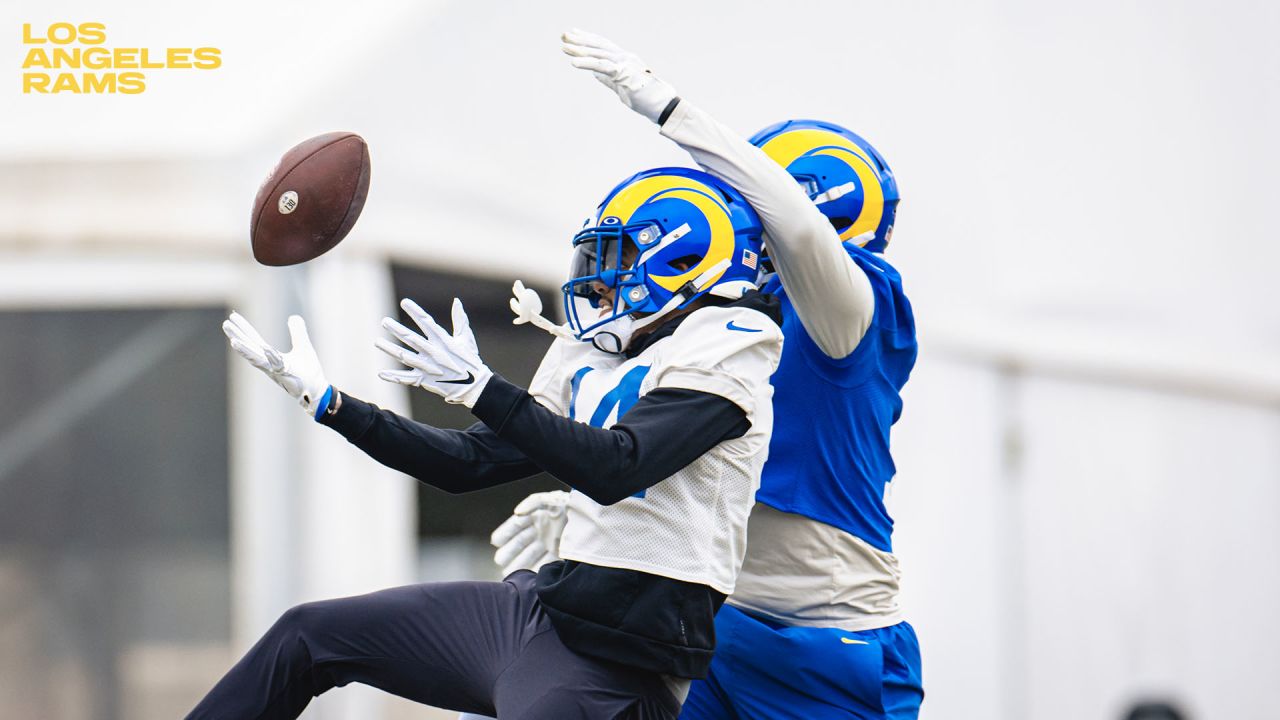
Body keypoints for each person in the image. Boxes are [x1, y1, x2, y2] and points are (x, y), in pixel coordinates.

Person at [187, 167, 784, 720]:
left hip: (619, 664)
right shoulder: (592, 353)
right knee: (308, 636)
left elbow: (617, 466)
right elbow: (467, 463)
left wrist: (486, 391)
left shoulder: (731, 341)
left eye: (620, 256)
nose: (598, 278)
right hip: (535, 611)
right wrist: (335, 406)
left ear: (686, 262)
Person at [487, 30, 923, 720]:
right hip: (711, 624)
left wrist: (669, 109)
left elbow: (802, 233)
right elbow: (676, 463)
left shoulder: (854, 307)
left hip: (827, 643)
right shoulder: (715, 324)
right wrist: (589, 521)